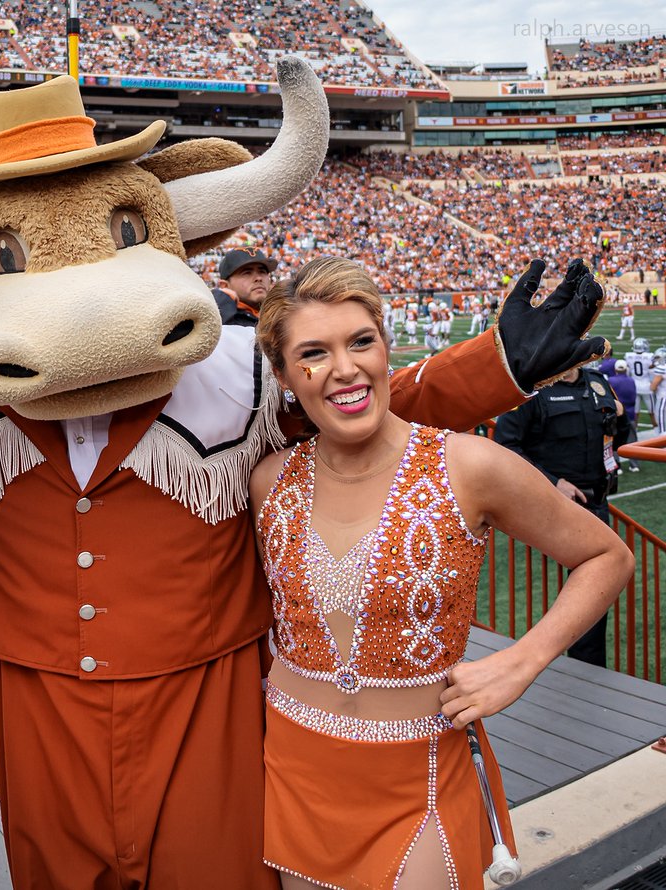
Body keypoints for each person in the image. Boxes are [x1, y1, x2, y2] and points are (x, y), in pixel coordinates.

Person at [250, 256, 630, 889]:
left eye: (361, 341)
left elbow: (607, 557)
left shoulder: (469, 465)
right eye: (314, 352)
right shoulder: (268, 480)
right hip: (295, 765)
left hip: (420, 773)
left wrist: (523, 660)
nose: (345, 368)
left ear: (386, 346)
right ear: (286, 376)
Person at [494, 359, 630, 667]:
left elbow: (617, 435)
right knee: (586, 585)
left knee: (597, 592)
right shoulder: (532, 389)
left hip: (596, 501)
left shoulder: (597, 382)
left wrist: (620, 419)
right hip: (554, 508)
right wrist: (553, 484)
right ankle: (545, 663)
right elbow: (507, 446)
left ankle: (587, 670)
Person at [211, 247, 278, 326]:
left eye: (262, 271)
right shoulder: (222, 321)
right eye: (247, 273)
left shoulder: (278, 316)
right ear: (225, 286)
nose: (258, 278)